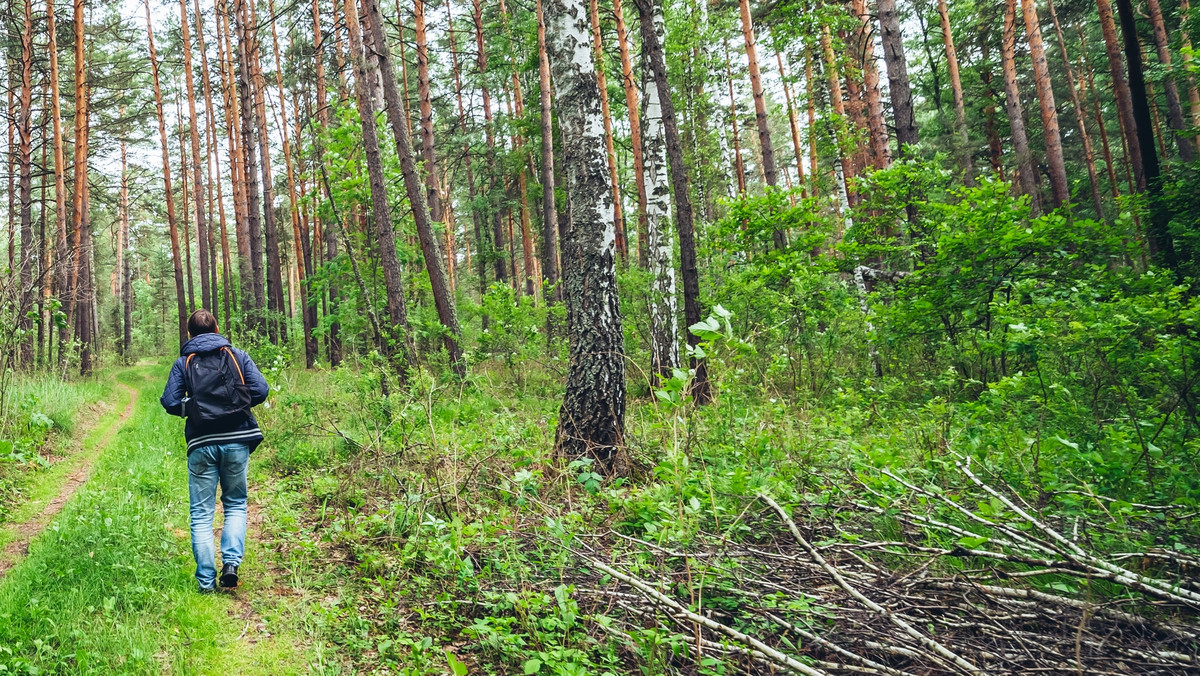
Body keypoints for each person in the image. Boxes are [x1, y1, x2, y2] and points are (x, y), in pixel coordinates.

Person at [160, 309, 269, 593]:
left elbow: (170, 403)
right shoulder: (237, 355)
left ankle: (206, 584)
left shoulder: (183, 363)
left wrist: (196, 410)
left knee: (201, 515)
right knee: (234, 504)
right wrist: (234, 406)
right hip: (237, 439)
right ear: (217, 328)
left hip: (201, 444)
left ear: (189, 333)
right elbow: (261, 390)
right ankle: (231, 564)